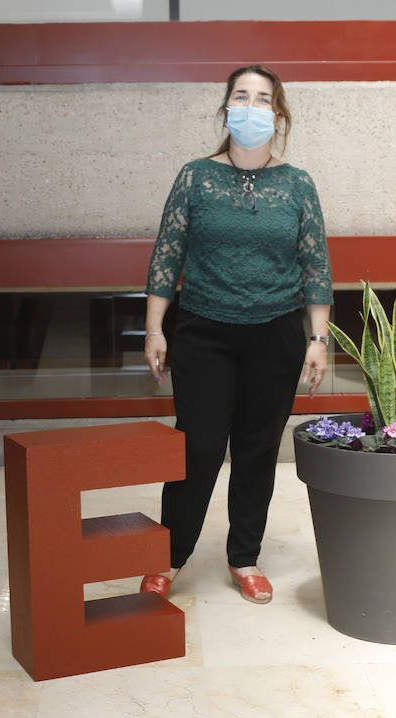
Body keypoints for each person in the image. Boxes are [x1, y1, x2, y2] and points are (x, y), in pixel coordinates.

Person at [140, 64, 333, 605]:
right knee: (196, 449)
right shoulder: (195, 177)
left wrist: (317, 338)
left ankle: (243, 556)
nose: (251, 106)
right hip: (203, 331)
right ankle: (168, 557)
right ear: (226, 109)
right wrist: (155, 328)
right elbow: (167, 255)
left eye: (263, 98)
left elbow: (315, 264)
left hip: (275, 335)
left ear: (279, 114)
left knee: (256, 449)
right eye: (241, 96)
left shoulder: (297, 184)